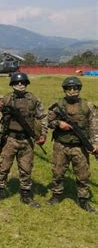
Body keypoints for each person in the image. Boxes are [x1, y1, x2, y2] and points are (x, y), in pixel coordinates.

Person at [0, 72, 47, 207]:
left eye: (22, 82)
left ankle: (25, 195)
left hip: (27, 140)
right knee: (4, 167)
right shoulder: (6, 98)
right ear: (12, 84)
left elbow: (42, 117)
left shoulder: (33, 99)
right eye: (16, 83)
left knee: (26, 169)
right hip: (10, 139)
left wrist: (43, 134)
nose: (20, 84)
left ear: (26, 84)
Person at [46, 76, 98, 213]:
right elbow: (48, 121)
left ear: (79, 89)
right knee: (57, 172)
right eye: (69, 88)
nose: (72, 90)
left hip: (80, 146)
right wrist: (59, 123)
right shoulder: (58, 105)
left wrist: (95, 143)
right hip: (61, 145)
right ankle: (56, 195)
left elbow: (94, 126)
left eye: (75, 88)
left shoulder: (88, 106)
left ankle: (83, 200)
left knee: (83, 174)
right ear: (64, 89)